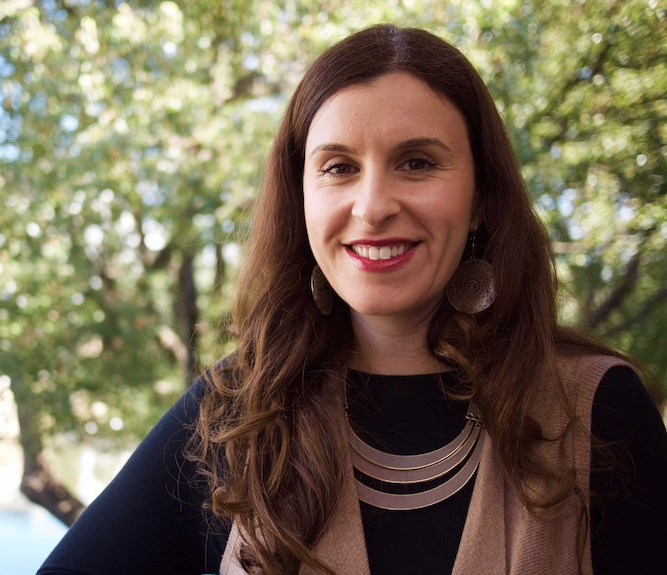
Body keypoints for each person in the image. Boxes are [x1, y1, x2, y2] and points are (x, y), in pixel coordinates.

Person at [37, 24, 667, 575]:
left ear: (481, 199)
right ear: (302, 198)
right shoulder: (235, 411)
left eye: (417, 162)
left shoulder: (597, 409)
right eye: (338, 167)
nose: (372, 206)